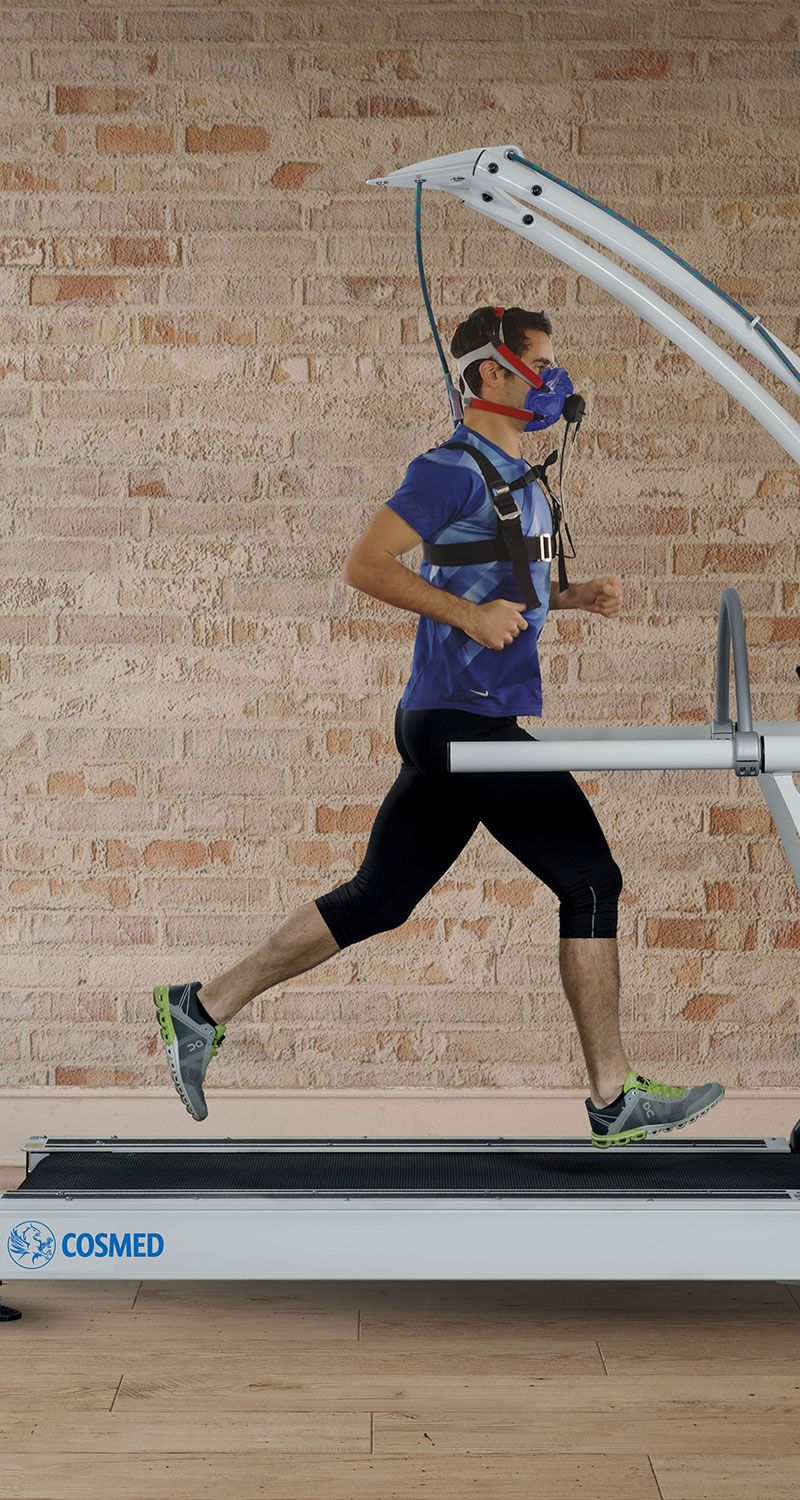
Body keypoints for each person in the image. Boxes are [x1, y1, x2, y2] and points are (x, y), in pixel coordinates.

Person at [153, 304, 724, 1143]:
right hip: (462, 722)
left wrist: (571, 598)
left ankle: (200, 1009)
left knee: (379, 898)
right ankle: (613, 1097)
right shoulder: (447, 470)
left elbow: (504, 596)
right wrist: (463, 616)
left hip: (455, 719)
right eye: (543, 364)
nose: (557, 380)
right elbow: (366, 564)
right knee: (591, 879)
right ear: (494, 373)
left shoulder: (519, 479)